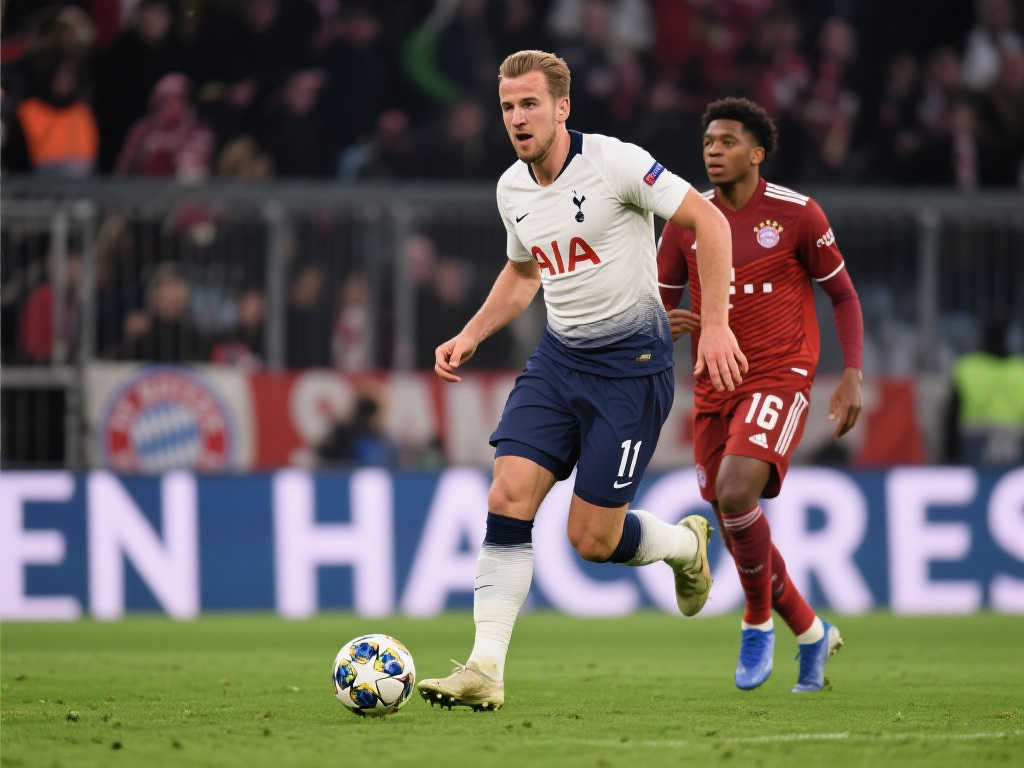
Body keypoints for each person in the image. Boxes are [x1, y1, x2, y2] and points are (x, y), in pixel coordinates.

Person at [416, 49, 745, 711]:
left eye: (530, 104)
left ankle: (685, 545)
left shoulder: (615, 163)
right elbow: (523, 274)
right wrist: (472, 334)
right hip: (559, 361)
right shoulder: (512, 189)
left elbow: (708, 221)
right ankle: (484, 668)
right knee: (508, 493)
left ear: (562, 107)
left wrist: (715, 324)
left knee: (592, 540)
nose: (517, 118)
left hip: (632, 372)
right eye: (508, 107)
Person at [657, 97, 864, 693]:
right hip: (714, 383)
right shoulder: (686, 220)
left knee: (734, 491)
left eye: (727, 142)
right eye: (708, 143)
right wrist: (660, 321)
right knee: (734, 522)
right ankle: (811, 631)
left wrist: (852, 373)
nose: (714, 152)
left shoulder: (798, 214)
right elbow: (656, 300)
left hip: (780, 373)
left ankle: (755, 623)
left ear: (757, 153)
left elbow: (843, 296)